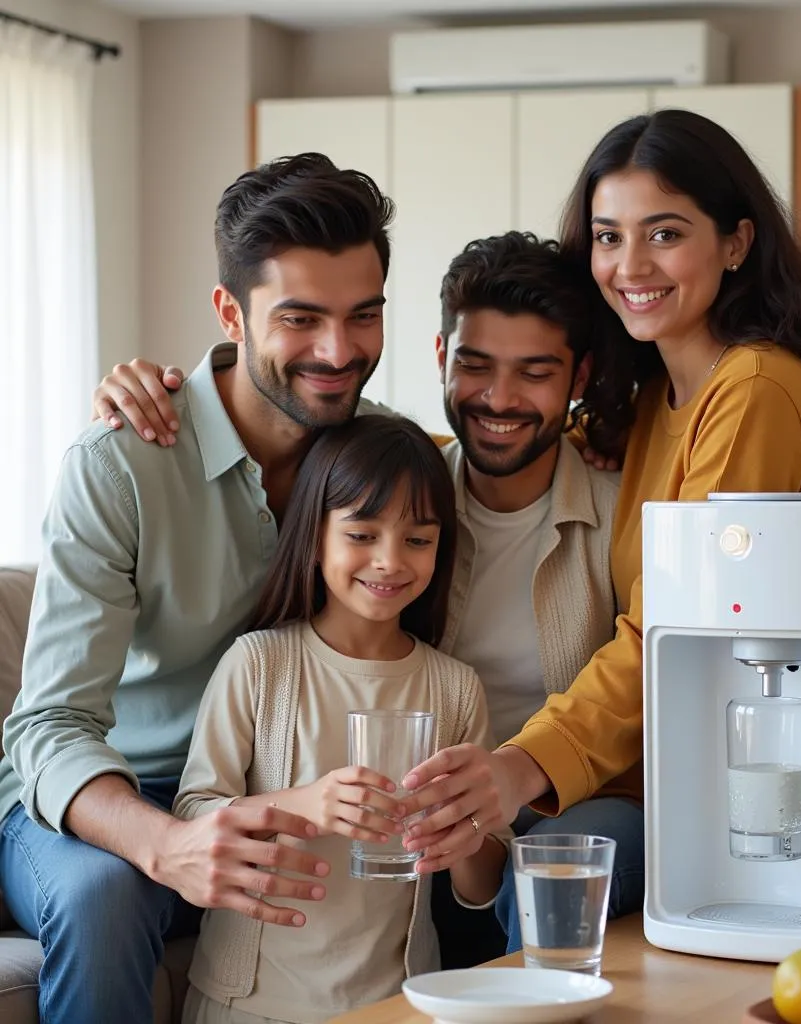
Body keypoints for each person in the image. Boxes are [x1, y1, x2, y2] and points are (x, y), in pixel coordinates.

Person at [396, 108, 801, 941]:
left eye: (663, 233)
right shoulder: (659, 403)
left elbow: (669, 626)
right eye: (608, 236)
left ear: (735, 242)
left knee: (544, 875)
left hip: (725, 781)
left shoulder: (754, 391)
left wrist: (522, 765)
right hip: (652, 771)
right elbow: (509, 431)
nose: (629, 265)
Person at [89, 231, 642, 964]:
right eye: (476, 366)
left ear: (578, 377)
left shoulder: (620, 512)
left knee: (552, 863)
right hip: (415, 826)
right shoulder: (400, 491)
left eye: (535, 373)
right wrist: (154, 391)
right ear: (442, 359)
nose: (500, 399)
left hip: (542, 813)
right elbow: (273, 396)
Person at [0, 152, 396, 1024]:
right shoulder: (122, 463)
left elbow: (494, 454)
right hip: (116, 800)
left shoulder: (385, 456)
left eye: (363, 316)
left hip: (275, 792)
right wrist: (168, 843)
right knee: (108, 896)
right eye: (300, 318)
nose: (339, 352)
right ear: (230, 312)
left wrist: (595, 431)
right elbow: (50, 724)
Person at [174, 414, 508, 1024]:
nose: (389, 561)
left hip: (399, 1002)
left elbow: (482, 890)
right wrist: (307, 805)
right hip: (248, 1003)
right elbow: (193, 820)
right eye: (362, 533)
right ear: (315, 534)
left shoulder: (455, 688)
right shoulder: (259, 664)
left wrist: (460, 834)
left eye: (418, 539)